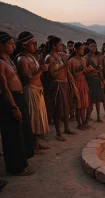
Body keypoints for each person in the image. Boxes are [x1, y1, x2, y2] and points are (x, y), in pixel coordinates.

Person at [0, 31, 35, 175]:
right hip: (10, 101)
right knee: (12, 134)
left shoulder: (8, 59)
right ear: (1, 45)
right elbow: (4, 87)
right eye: (10, 43)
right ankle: (16, 168)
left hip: (19, 97)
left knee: (21, 131)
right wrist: (14, 107)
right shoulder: (0, 63)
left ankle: (22, 162)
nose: (14, 46)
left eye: (14, 43)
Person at [15, 31, 49, 154]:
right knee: (32, 118)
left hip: (37, 91)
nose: (35, 45)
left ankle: (36, 143)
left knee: (37, 118)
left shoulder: (30, 57)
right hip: (30, 91)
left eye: (36, 43)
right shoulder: (21, 59)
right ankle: (32, 146)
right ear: (24, 45)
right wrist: (42, 70)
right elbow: (29, 78)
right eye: (32, 43)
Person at [46, 36, 77, 141]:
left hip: (64, 84)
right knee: (58, 109)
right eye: (59, 44)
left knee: (66, 107)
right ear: (54, 46)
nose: (61, 46)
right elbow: (52, 75)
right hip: (57, 85)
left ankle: (67, 128)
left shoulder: (60, 55)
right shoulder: (49, 58)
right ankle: (58, 133)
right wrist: (64, 67)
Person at [68, 42, 90, 130]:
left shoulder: (83, 60)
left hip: (83, 82)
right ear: (76, 49)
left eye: (83, 49)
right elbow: (74, 75)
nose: (82, 50)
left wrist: (88, 70)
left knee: (84, 105)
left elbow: (85, 73)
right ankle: (79, 123)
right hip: (76, 84)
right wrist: (83, 69)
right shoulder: (72, 61)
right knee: (78, 105)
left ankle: (84, 122)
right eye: (81, 49)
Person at [84, 39, 104, 123]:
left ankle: (98, 117)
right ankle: (87, 118)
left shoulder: (97, 57)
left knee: (98, 100)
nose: (94, 47)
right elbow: (84, 70)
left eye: (95, 46)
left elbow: (99, 69)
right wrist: (90, 70)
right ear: (88, 47)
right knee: (90, 101)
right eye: (92, 46)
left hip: (97, 80)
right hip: (89, 80)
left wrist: (102, 80)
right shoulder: (86, 57)